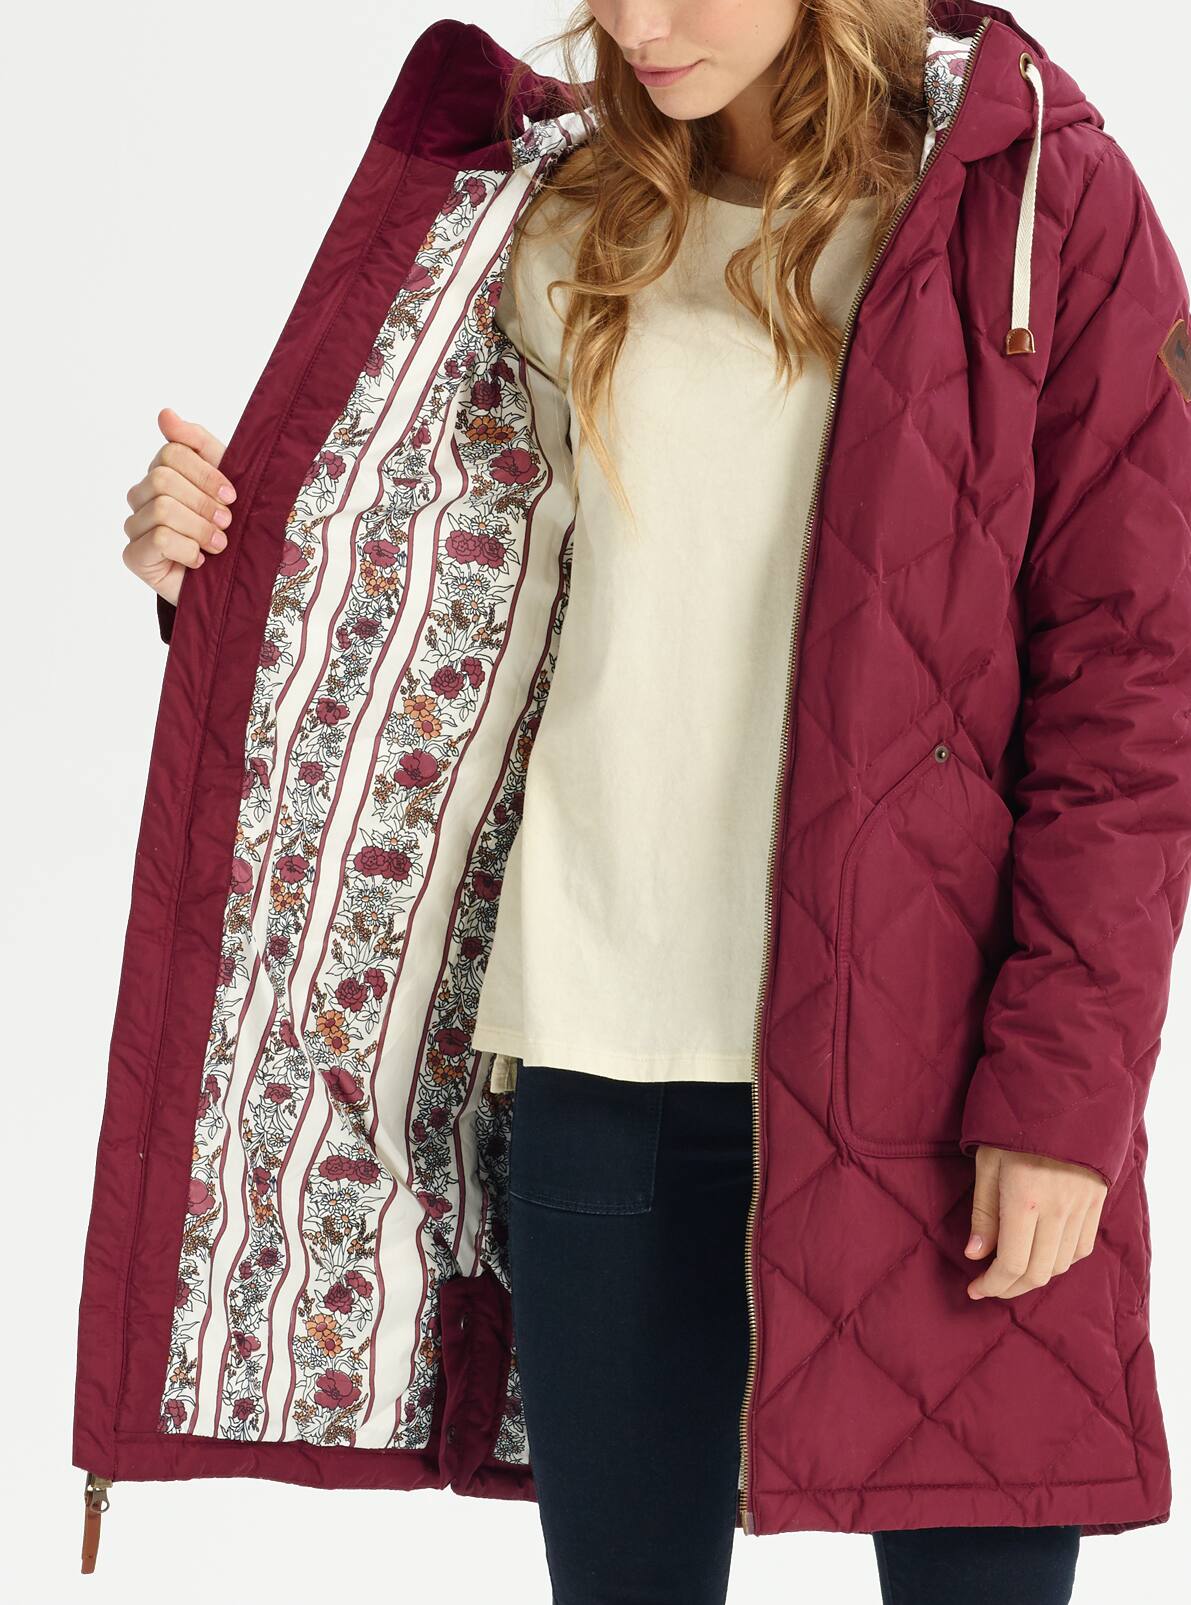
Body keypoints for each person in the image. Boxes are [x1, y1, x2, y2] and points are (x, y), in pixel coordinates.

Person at [115, 4, 1190, 1602]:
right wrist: (211, 564)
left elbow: (1136, 692)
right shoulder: (546, 217)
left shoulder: (1031, 202)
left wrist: (1061, 1102)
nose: (640, 21)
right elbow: (432, 591)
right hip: (593, 1067)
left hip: (937, 1082)